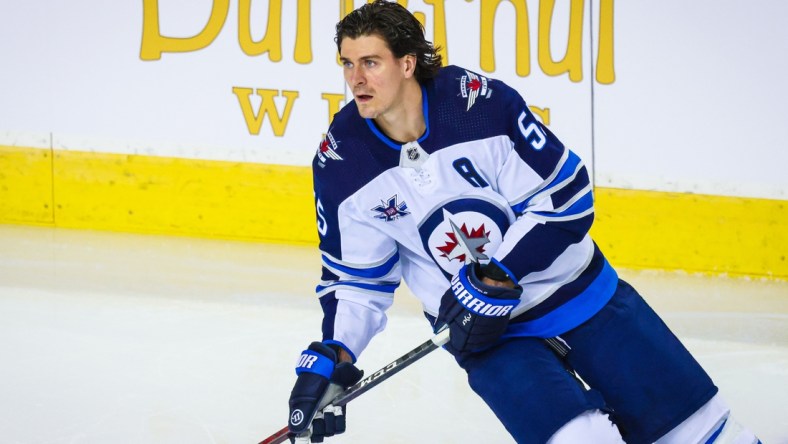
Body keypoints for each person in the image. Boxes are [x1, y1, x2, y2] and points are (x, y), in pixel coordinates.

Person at [285, 2, 761, 443]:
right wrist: (334, 359)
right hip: (486, 338)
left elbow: (569, 199)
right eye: (347, 64)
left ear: (406, 63)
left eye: (370, 62)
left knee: (706, 435)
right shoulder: (341, 160)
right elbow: (357, 282)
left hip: (580, 298)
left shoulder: (479, 107)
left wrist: (497, 272)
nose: (356, 79)